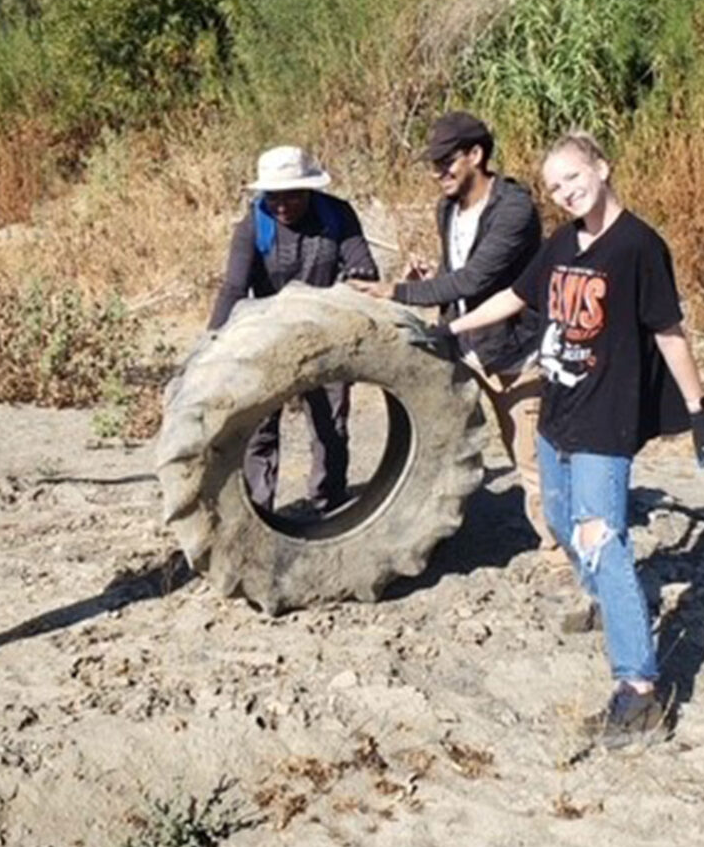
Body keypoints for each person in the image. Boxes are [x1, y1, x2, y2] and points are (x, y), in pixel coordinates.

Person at [448, 131, 704, 747]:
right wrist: (455, 328)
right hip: (559, 409)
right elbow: (514, 297)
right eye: (555, 186)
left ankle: (641, 693)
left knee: (603, 539)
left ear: (601, 166)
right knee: (559, 515)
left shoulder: (638, 246)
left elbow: (669, 330)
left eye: (574, 177)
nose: (567, 192)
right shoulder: (564, 242)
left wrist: (699, 409)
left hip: (607, 416)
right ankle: (609, 602)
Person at [350, 111, 556, 553]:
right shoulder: (448, 207)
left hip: (513, 354)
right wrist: (430, 279)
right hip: (460, 341)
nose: (437, 172)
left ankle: (562, 556)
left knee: (531, 460)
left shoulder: (514, 209)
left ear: (476, 155)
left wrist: (399, 290)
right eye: (434, 162)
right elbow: (455, 271)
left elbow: (476, 279)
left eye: (447, 161)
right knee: (437, 441)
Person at [209, 145, 379, 513]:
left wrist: (361, 274)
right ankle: (260, 508)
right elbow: (234, 289)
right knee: (259, 428)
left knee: (330, 427)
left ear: (310, 190)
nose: (282, 205)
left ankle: (330, 502)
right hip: (267, 337)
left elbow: (363, 263)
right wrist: (212, 343)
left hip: (326, 335)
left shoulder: (337, 216)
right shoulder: (254, 225)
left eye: (292, 196)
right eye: (274, 197)